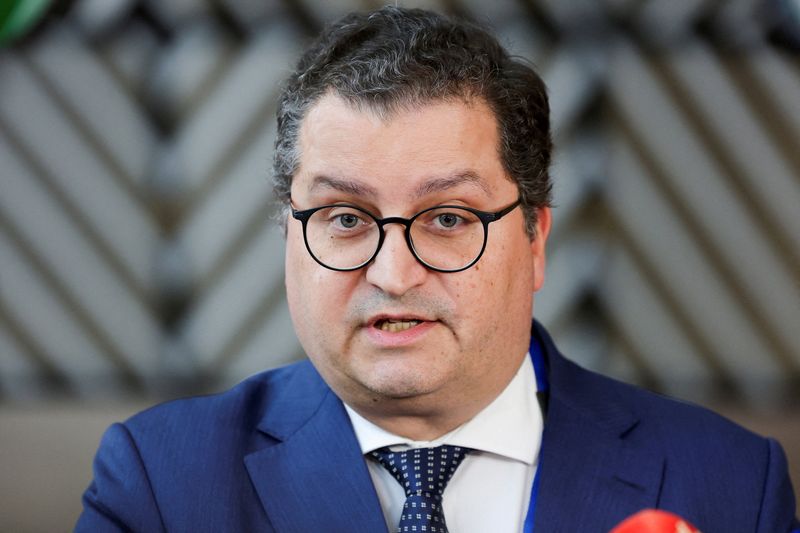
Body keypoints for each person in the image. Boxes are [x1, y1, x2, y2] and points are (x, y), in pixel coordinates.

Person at [76, 7, 799, 532]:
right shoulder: (161, 482)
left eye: (449, 218)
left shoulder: (732, 486)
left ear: (535, 237)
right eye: (347, 218)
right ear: (287, 236)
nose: (393, 273)